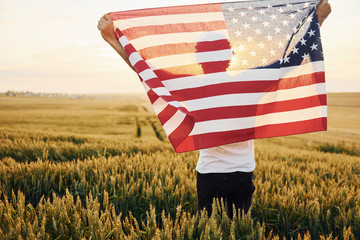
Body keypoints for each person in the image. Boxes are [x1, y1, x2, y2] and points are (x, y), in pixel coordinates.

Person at [97, 0, 331, 218]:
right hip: (243, 175)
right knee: (238, 232)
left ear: (199, 57)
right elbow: (292, 60)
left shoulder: (191, 86)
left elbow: (147, 73)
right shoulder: (251, 81)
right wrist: (317, 19)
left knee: (211, 232)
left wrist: (113, 39)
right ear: (230, 55)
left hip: (210, 175)